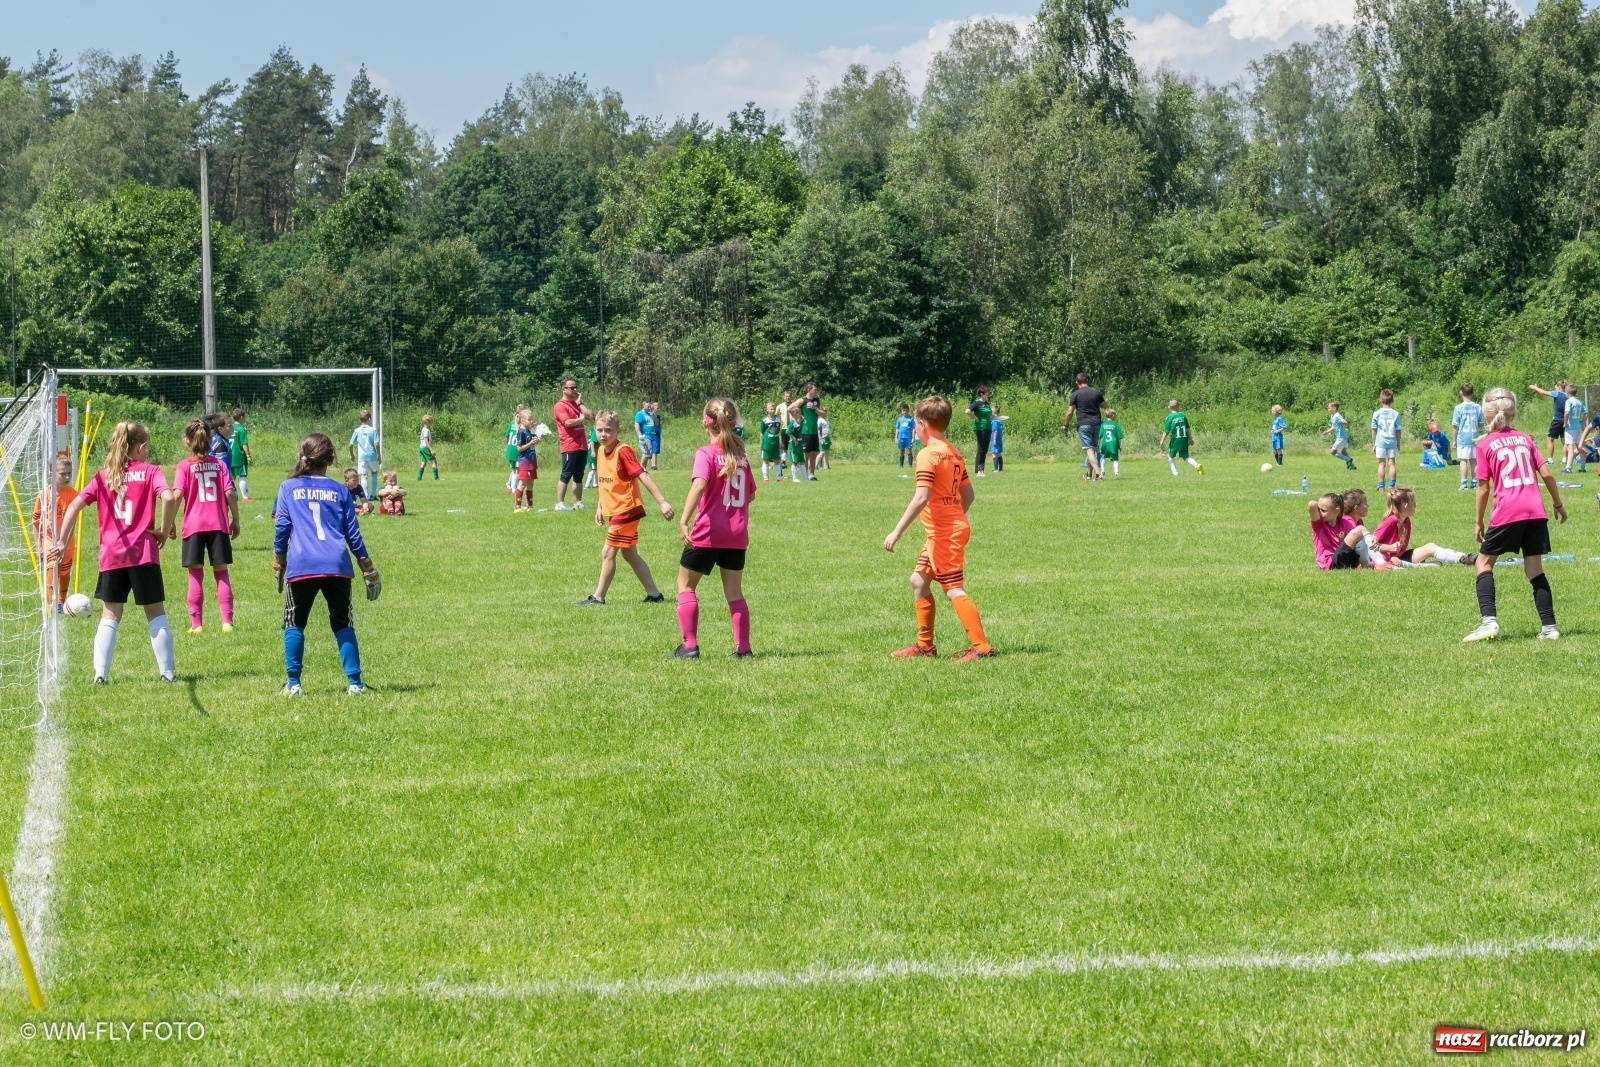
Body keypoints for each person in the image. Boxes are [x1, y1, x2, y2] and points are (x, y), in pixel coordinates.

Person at [47, 421, 177, 683]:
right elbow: (170, 497)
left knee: (110, 615)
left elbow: (73, 506)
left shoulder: (103, 475)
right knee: (155, 613)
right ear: (139, 448)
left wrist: (60, 541)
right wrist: (163, 529)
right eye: (146, 448)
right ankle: (167, 673)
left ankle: (100, 675)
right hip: (142, 554)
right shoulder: (151, 471)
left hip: (112, 555)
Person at [884, 395, 994, 661]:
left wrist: (896, 532)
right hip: (944, 530)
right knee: (918, 580)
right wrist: (954, 516)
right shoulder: (953, 452)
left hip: (944, 532)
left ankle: (982, 648)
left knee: (952, 588)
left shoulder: (928, 454)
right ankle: (925, 646)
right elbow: (968, 496)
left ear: (921, 424)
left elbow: (921, 497)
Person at [274, 432, 382, 695]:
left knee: (294, 622)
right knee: (343, 621)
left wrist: (279, 562)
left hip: (302, 565)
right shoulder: (340, 490)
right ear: (331, 459)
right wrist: (367, 566)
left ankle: (294, 684)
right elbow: (352, 533)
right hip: (336, 565)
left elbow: (282, 527)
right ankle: (355, 683)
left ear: (302, 457)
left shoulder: (288, 487)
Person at [1463, 387, 1567, 642]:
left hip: (1507, 511)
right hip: (1535, 511)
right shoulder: (1526, 439)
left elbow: (1484, 487)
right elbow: (1548, 474)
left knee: (1483, 563)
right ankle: (1550, 628)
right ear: (1513, 413)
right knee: (1534, 569)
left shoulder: (1485, 444)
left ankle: (1489, 623)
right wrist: (1558, 504)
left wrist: (1478, 521)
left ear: (1486, 415)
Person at [670, 398, 756, 658]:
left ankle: (689, 646)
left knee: (686, 585)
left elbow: (698, 485)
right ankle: (743, 650)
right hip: (737, 534)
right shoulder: (740, 455)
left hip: (708, 531)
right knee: (734, 592)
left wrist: (684, 520)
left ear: (705, 423)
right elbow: (750, 494)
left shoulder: (706, 453)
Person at [579, 411, 676, 606]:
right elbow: (606, 483)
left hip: (627, 509)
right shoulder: (600, 451)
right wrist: (600, 507)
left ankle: (598, 597)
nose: (603, 434)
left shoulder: (623, 451)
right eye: (599, 430)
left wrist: (662, 501)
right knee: (629, 553)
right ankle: (654, 594)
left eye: (608, 430)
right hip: (615, 510)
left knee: (608, 552)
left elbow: (643, 475)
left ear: (618, 431)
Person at [169, 418, 241, 634]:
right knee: (221, 572)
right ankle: (227, 622)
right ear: (210, 440)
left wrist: (170, 521)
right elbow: (229, 492)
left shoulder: (184, 466)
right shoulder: (219, 465)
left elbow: (178, 494)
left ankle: (196, 625)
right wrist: (235, 520)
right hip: (218, 524)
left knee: (195, 574)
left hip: (193, 526)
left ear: (187, 442)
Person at [1371, 487, 1474, 566]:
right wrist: (1389, 548)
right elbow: (1370, 545)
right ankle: (1423, 566)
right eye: (1413, 502)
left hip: (1400, 557)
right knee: (1396, 561)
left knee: (1430, 546)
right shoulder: (1391, 520)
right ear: (1406, 505)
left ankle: (1465, 558)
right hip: (1386, 561)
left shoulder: (1406, 520)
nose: (1415, 505)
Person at [32, 455, 76, 607]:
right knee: (52, 565)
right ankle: (53, 603)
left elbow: (73, 523)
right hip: (50, 539)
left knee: (64, 572)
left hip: (68, 541)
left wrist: (65, 542)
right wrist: (39, 545)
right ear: (51, 473)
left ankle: (62, 602)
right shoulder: (43, 495)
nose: (67, 476)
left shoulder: (73, 495)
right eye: (63, 473)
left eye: (69, 473)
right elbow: (36, 523)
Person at [553, 378, 592, 510]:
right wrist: (579, 419)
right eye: (572, 388)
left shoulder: (577, 404)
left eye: (576, 387)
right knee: (566, 474)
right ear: (563, 389)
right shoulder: (560, 405)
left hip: (582, 445)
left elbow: (591, 416)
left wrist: (580, 403)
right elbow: (567, 423)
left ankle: (578, 503)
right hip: (569, 445)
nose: (575, 390)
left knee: (579, 475)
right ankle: (560, 504)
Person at [1307, 493, 1368, 570]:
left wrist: (1372, 538)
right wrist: (1321, 503)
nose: (1319, 513)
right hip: (1330, 563)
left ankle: (1371, 562)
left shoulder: (1345, 523)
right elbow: (1312, 505)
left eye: (1323, 510)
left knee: (1360, 529)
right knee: (1356, 533)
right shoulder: (1319, 525)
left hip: (1343, 559)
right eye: (1318, 509)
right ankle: (1369, 565)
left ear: (1336, 511)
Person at [1065, 373, 1105, 480]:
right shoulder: (1096, 393)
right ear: (1087, 381)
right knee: (1093, 450)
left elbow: (1069, 413)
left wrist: (1066, 425)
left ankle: (1098, 474)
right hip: (1096, 424)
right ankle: (1088, 475)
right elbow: (1105, 406)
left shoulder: (1075, 394)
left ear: (1077, 382)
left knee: (1089, 450)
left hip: (1083, 424)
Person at [1528, 380, 1568, 463]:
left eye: (1556, 387)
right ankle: (1565, 459)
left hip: (1557, 420)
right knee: (1564, 440)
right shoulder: (1567, 395)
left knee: (1550, 439)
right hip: (1565, 420)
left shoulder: (1557, 393)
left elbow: (1543, 392)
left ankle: (1550, 460)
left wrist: (1535, 387)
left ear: (1559, 387)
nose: (1555, 388)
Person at [1452, 383, 1483, 491]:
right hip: (1474, 437)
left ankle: (1464, 484)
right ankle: (1474, 483)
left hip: (1462, 438)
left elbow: (1455, 425)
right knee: (1474, 461)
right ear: (1472, 393)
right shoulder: (1477, 407)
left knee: (1463, 460)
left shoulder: (1458, 408)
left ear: (1461, 392)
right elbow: (1481, 423)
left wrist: (1454, 440)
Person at [1161, 400, 1203, 476]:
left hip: (1175, 440)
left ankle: (1175, 473)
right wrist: (1190, 438)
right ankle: (1197, 465)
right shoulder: (1183, 415)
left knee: (1170, 456)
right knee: (1185, 456)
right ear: (1178, 406)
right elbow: (1188, 428)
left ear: (1169, 407)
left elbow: (1166, 431)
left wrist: (1162, 441)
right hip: (1184, 439)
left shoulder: (1169, 417)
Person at [1370, 389, 1401, 490]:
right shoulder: (1395, 414)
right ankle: (1392, 487)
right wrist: (1398, 443)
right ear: (1392, 400)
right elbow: (1398, 430)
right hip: (1392, 441)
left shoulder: (1376, 413)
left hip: (1380, 441)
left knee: (1381, 464)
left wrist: (1373, 444)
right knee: (1392, 464)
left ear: (1380, 400)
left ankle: (1381, 487)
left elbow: (1374, 430)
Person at [348, 409, 381, 500]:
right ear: (369, 419)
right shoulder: (373, 430)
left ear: (360, 420)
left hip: (362, 457)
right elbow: (376, 444)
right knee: (374, 472)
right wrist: (379, 455)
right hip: (372, 455)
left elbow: (350, 444)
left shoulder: (357, 430)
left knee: (363, 475)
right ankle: (373, 495)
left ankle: (365, 496)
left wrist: (352, 454)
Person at [797, 381, 825, 480]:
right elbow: (790, 408)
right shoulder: (802, 400)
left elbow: (824, 414)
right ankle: (804, 475)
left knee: (813, 454)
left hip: (814, 431)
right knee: (806, 455)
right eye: (814, 389)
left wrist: (814, 409)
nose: (816, 391)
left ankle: (811, 475)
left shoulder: (817, 400)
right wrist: (799, 416)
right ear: (809, 390)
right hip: (806, 431)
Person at [513, 410, 538, 512]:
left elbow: (532, 444)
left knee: (530, 484)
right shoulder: (521, 432)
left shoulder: (529, 431)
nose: (531, 421)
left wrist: (536, 441)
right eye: (529, 419)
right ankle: (517, 506)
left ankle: (530, 506)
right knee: (522, 483)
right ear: (522, 420)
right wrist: (531, 443)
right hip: (525, 462)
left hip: (532, 461)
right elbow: (519, 448)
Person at [967, 385, 994, 477]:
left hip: (988, 428)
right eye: (986, 394)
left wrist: (1000, 418)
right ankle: (979, 471)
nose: (988, 395)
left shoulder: (987, 404)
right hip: (980, 428)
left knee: (985, 449)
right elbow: (967, 411)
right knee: (981, 449)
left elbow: (990, 416)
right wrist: (975, 418)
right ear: (981, 394)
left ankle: (981, 470)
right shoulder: (977, 403)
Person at [1322, 401, 1357, 470]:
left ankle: (1349, 460)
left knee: (1333, 451)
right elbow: (1334, 426)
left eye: (1329, 408)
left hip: (1341, 437)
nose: (1328, 409)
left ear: (1334, 408)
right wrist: (1327, 432)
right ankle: (1352, 466)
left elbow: (1342, 420)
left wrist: (1345, 422)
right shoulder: (1332, 416)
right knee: (1343, 452)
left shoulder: (1337, 415)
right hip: (1343, 437)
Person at [1562, 383, 1586, 473]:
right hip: (1578, 427)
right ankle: (1583, 468)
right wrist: (1583, 423)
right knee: (1580, 447)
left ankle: (1568, 468)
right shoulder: (1579, 401)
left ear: (1567, 392)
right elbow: (1586, 413)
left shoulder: (1568, 401)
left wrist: (1565, 423)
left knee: (1570, 448)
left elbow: (1567, 412)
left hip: (1570, 427)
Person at [230, 407, 253, 501]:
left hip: (230, 455)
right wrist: (248, 455)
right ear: (241, 417)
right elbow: (244, 443)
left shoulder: (230, 427)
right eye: (244, 417)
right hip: (239, 456)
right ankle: (245, 497)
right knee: (243, 475)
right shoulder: (242, 429)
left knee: (232, 476)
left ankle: (228, 494)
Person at [760, 402, 782, 482]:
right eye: (771, 409)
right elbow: (762, 432)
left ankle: (779, 478)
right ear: (767, 410)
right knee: (766, 460)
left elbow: (778, 431)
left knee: (777, 459)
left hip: (775, 443)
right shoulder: (764, 420)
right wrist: (761, 443)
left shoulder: (778, 419)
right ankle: (766, 478)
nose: (772, 411)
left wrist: (780, 442)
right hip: (767, 443)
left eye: (774, 409)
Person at [1098, 408, 1124, 478]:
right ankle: (1116, 473)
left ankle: (1103, 471)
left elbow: (1100, 436)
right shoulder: (1115, 424)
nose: (1115, 416)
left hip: (1105, 443)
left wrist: (1099, 445)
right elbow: (1119, 437)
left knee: (1103, 457)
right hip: (1113, 443)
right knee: (1115, 459)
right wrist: (1119, 446)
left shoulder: (1103, 425)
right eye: (1115, 415)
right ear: (1112, 415)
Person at [417, 414, 439, 481]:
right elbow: (426, 440)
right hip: (426, 448)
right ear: (427, 421)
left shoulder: (423, 429)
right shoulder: (426, 430)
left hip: (422, 447)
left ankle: (419, 478)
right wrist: (431, 449)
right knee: (434, 461)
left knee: (423, 462)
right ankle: (436, 478)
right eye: (431, 422)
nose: (431, 423)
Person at [895, 403, 916, 468]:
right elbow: (897, 429)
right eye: (903, 411)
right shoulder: (899, 419)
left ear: (908, 411)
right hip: (901, 437)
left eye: (906, 410)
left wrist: (913, 437)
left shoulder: (911, 419)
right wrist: (896, 437)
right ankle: (901, 465)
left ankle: (910, 465)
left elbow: (913, 428)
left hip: (908, 437)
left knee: (909, 450)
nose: (905, 412)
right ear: (902, 411)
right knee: (901, 450)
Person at [989, 404, 1008, 472]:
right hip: (999, 439)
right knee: (999, 454)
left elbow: (995, 430)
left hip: (995, 439)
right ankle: (1000, 468)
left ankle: (996, 469)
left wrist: (994, 439)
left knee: (994, 454)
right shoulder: (999, 420)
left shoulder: (994, 421)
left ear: (993, 412)